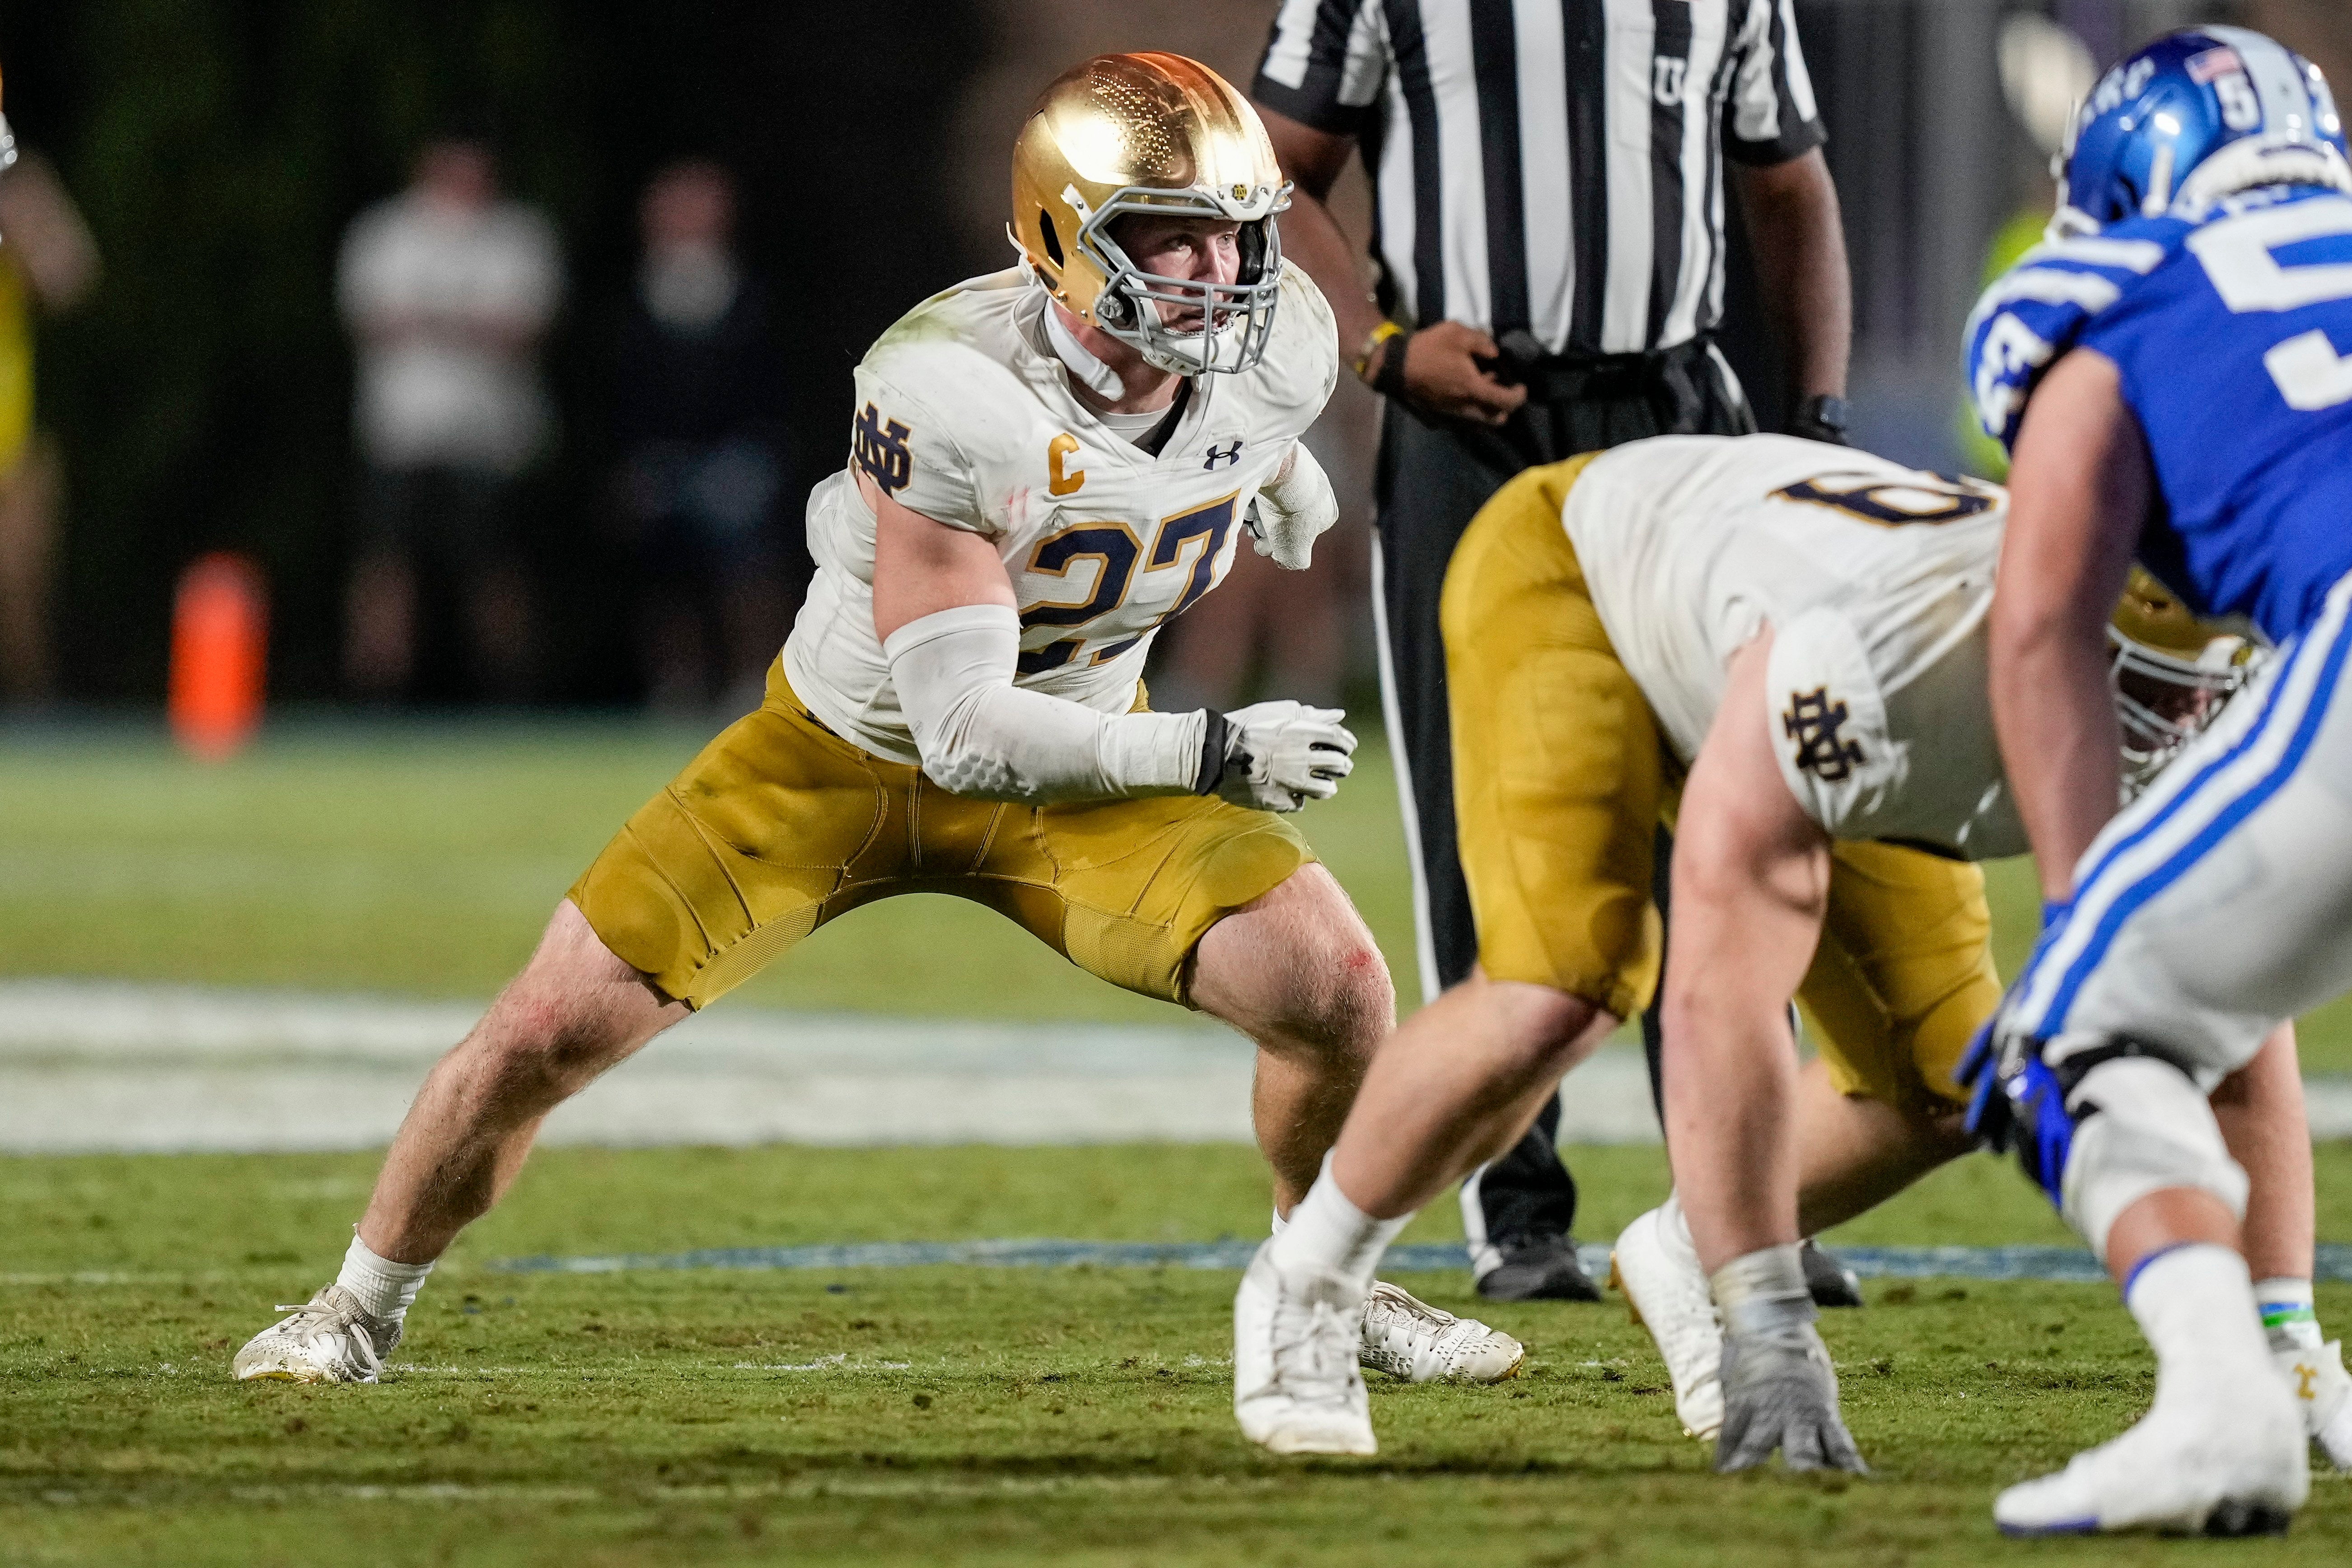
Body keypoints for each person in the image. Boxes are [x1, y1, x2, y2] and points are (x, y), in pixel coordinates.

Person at [232, 53, 1517, 1400]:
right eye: (1166, 230)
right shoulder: (948, 386)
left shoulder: (1285, 343)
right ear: (1060, 235)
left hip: (1079, 765)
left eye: (1233, 227)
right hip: (842, 759)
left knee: (1338, 994)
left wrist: (1273, 477)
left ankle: (1324, 1284)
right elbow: (960, 731)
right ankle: (354, 1304)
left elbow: (1203, 431)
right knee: (545, 1027)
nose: (1214, 266)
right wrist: (1209, 747)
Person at [1230, 431, 2345, 1470]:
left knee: (1948, 1078)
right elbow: (1723, 977)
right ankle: (1308, 1281)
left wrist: (2279, 1334)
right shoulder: (1884, 662)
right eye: (2136, 686)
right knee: (1566, 983)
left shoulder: (2241, 693)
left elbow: (2231, 1015)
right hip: (1583, 578)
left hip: (1780, 610)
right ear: (2041, 621)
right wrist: (1766, 1312)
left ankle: (1676, 1247)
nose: (2164, 724)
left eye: (2197, 685)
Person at [1250, 0, 1857, 1301]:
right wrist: (1377, 346)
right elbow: (1268, 169)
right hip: (1468, 425)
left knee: (1729, 808)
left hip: (1677, 418)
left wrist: (1813, 421)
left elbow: (1788, 186)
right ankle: (1517, 1214)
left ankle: (1747, 1206)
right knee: (1481, 817)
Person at [1960, 25, 2352, 1535]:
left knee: (2068, 1027)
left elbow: (2042, 623)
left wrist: (2076, 910)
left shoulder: (2106, 289)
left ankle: (2218, 1403)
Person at [338, 137, 562, 703]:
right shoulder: (385, 233)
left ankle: (507, 695)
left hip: (491, 439)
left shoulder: (518, 237)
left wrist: (435, 319)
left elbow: (524, 328)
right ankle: (378, 695)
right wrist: (467, 321)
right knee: (386, 569)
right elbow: (372, 321)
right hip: (401, 435)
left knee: (496, 571)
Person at [610, 160, 796, 715]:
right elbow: (624, 392)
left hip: (737, 455)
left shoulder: (752, 292)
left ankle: (753, 677)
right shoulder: (635, 297)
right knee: (664, 568)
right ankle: (677, 681)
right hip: (659, 458)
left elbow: (772, 385)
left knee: (749, 559)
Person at [0, 104, 98, 706]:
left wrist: (25, 228)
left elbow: (72, 278)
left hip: (11, 438)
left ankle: (32, 717)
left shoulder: (18, 183)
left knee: (22, 592)